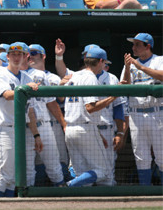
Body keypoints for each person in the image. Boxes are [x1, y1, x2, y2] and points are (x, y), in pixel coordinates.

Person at [0, 42, 42, 197]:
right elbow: (6, 95)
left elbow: (30, 110)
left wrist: (36, 135)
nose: (16, 57)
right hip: (4, 129)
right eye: (13, 54)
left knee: (14, 179)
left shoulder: (26, 77)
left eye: (20, 54)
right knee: (4, 177)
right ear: (7, 56)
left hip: (22, 130)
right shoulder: (0, 75)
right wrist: (26, 88)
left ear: (25, 56)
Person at [63, 47, 118, 187]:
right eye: (104, 63)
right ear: (100, 61)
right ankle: (69, 185)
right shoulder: (90, 77)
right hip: (85, 129)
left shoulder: (75, 75)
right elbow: (90, 107)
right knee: (103, 172)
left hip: (70, 129)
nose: (104, 66)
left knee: (82, 174)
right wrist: (112, 97)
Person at [121, 33, 163, 185]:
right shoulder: (131, 64)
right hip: (136, 114)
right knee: (141, 156)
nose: (133, 48)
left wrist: (140, 67)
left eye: (137, 44)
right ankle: (145, 191)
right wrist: (127, 67)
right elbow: (124, 86)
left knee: (162, 156)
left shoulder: (159, 60)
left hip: (157, 112)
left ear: (148, 46)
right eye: (133, 44)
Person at [28, 44, 71, 184]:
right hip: (34, 124)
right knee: (36, 165)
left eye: (34, 52)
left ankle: (62, 194)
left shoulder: (53, 77)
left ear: (43, 56)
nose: (31, 55)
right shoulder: (24, 75)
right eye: (28, 53)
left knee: (59, 163)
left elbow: (61, 100)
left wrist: (60, 87)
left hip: (54, 124)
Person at [96, 61, 126, 186]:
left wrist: (120, 132)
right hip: (88, 128)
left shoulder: (112, 78)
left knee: (108, 173)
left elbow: (118, 108)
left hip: (107, 128)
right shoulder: (81, 77)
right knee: (83, 166)